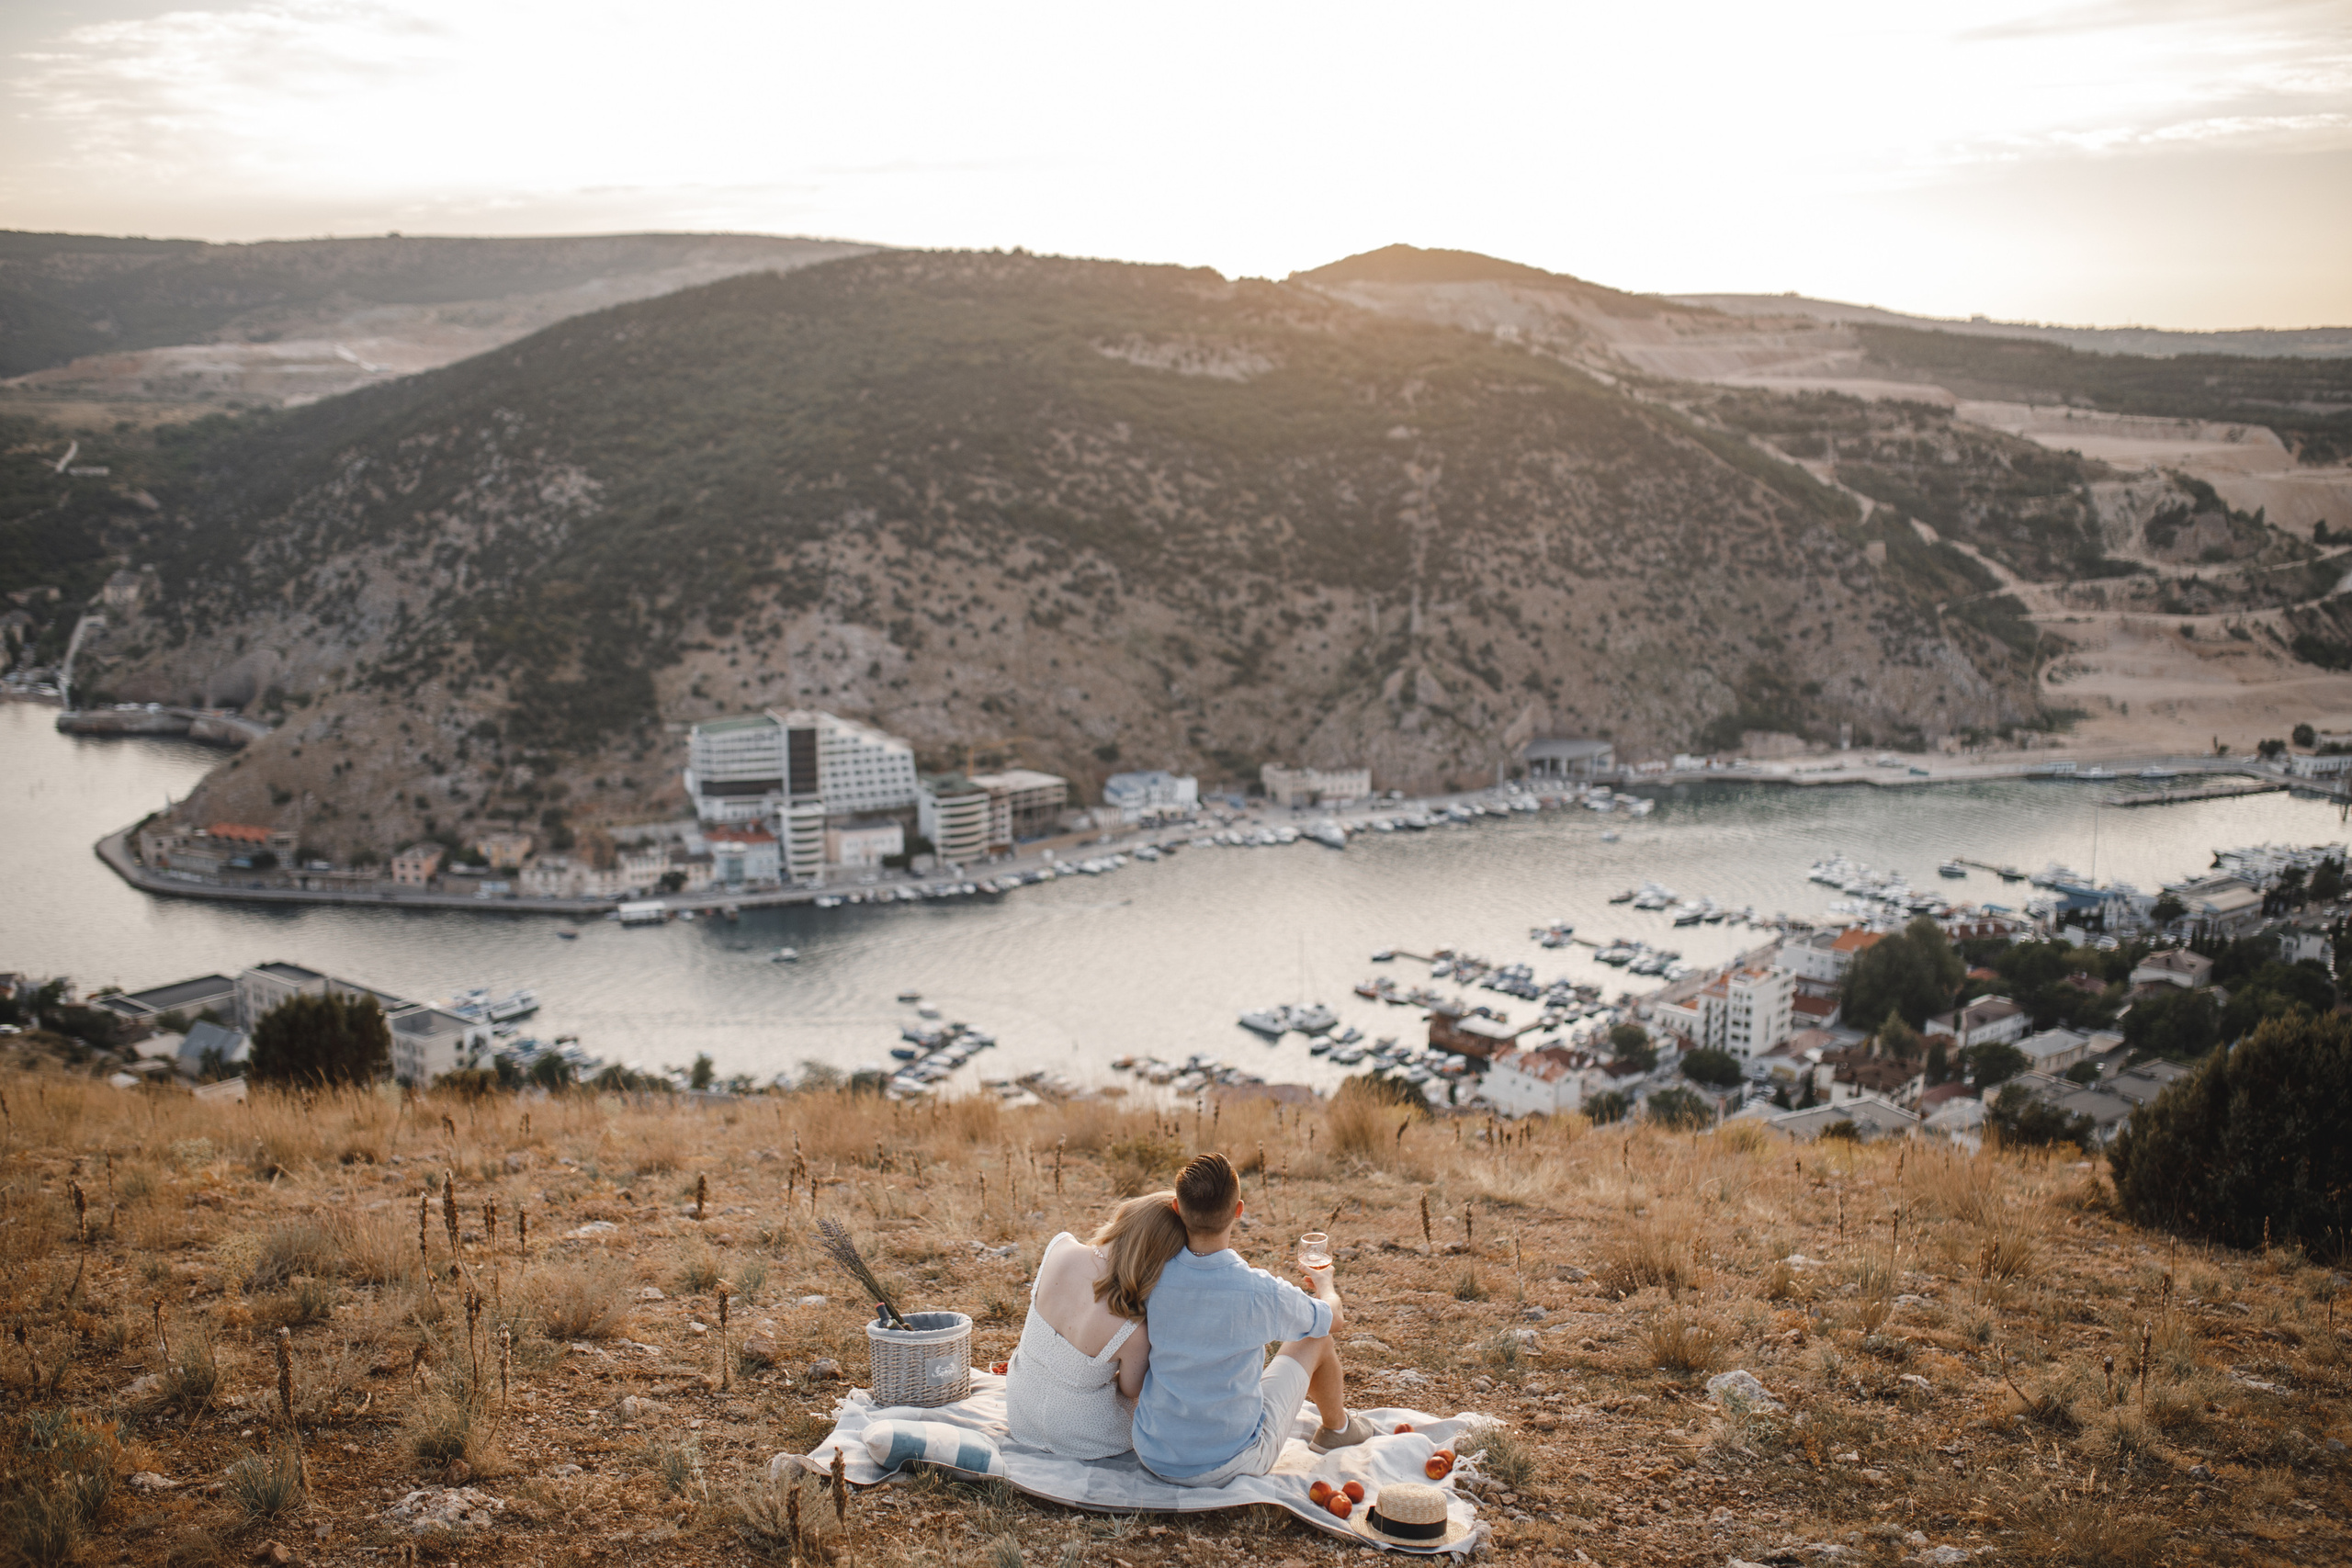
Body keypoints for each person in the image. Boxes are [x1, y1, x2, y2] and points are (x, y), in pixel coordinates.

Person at [1132, 1152, 1372, 1485]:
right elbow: (1333, 1319)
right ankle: (1338, 1429)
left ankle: (1338, 1427)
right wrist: (1325, 1283)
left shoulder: (1150, 1274)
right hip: (1229, 1462)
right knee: (1317, 1334)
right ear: (1238, 1211)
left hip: (1155, 1454)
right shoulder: (1258, 1290)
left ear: (1177, 1209)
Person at [1003, 1190, 1188, 1458]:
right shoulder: (1133, 1329)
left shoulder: (1060, 1247)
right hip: (1084, 1438)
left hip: (1021, 1412)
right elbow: (1130, 1390)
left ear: (1126, 1216)